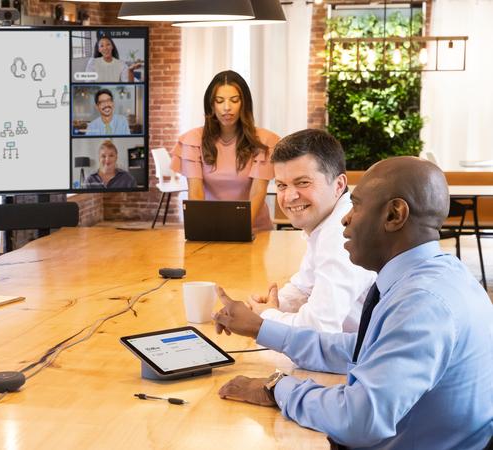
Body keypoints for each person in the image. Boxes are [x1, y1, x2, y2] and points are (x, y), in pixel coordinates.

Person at [213, 156, 493, 449]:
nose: (345, 218)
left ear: (394, 215)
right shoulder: (437, 274)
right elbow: (362, 350)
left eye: (356, 206)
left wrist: (276, 388)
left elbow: (359, 420)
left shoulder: (421, 303)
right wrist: (261, 328)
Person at [245, 129, 376, 332]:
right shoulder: (326, 222)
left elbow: (319, 328)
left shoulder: (343, 234)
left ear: (338, 184)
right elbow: (305, 287)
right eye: (281, 185)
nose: (289, 197)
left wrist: (265, 316)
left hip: (364, 358)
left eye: (303, 183)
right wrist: (276, 303)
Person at [171, 70, 281, 232]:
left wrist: (239, 231)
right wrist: (201, 231)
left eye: (234, 100)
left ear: (244, 104)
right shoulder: (192, 140)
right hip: (210, 228)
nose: (227, 108)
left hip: (254, 229)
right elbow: (195, 193)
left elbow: (258, 193)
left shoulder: (264, 141)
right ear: (211, 104)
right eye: (220, 101)